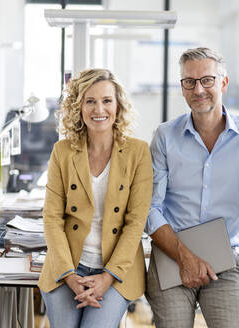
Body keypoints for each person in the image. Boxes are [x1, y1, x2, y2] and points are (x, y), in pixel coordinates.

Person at [145, 47, 239, 327]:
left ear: (223, 82)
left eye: (207, 80)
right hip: (171, 256)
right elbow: (151, 207)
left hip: (225, 260)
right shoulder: (165, 136)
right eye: (189, 82)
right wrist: (185, 257)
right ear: (181, 87)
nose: (198, 89)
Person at [38, 69, 153, 327]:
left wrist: (107, 277)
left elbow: (135, 223)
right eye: (90, 101)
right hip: (67, 267)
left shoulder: (138, 152)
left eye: (106, 100)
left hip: (115, 271)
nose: (98, 109)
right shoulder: (62, 151)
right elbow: (52, 217)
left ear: (118, 105)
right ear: (78, 107)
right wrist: (69, 276)